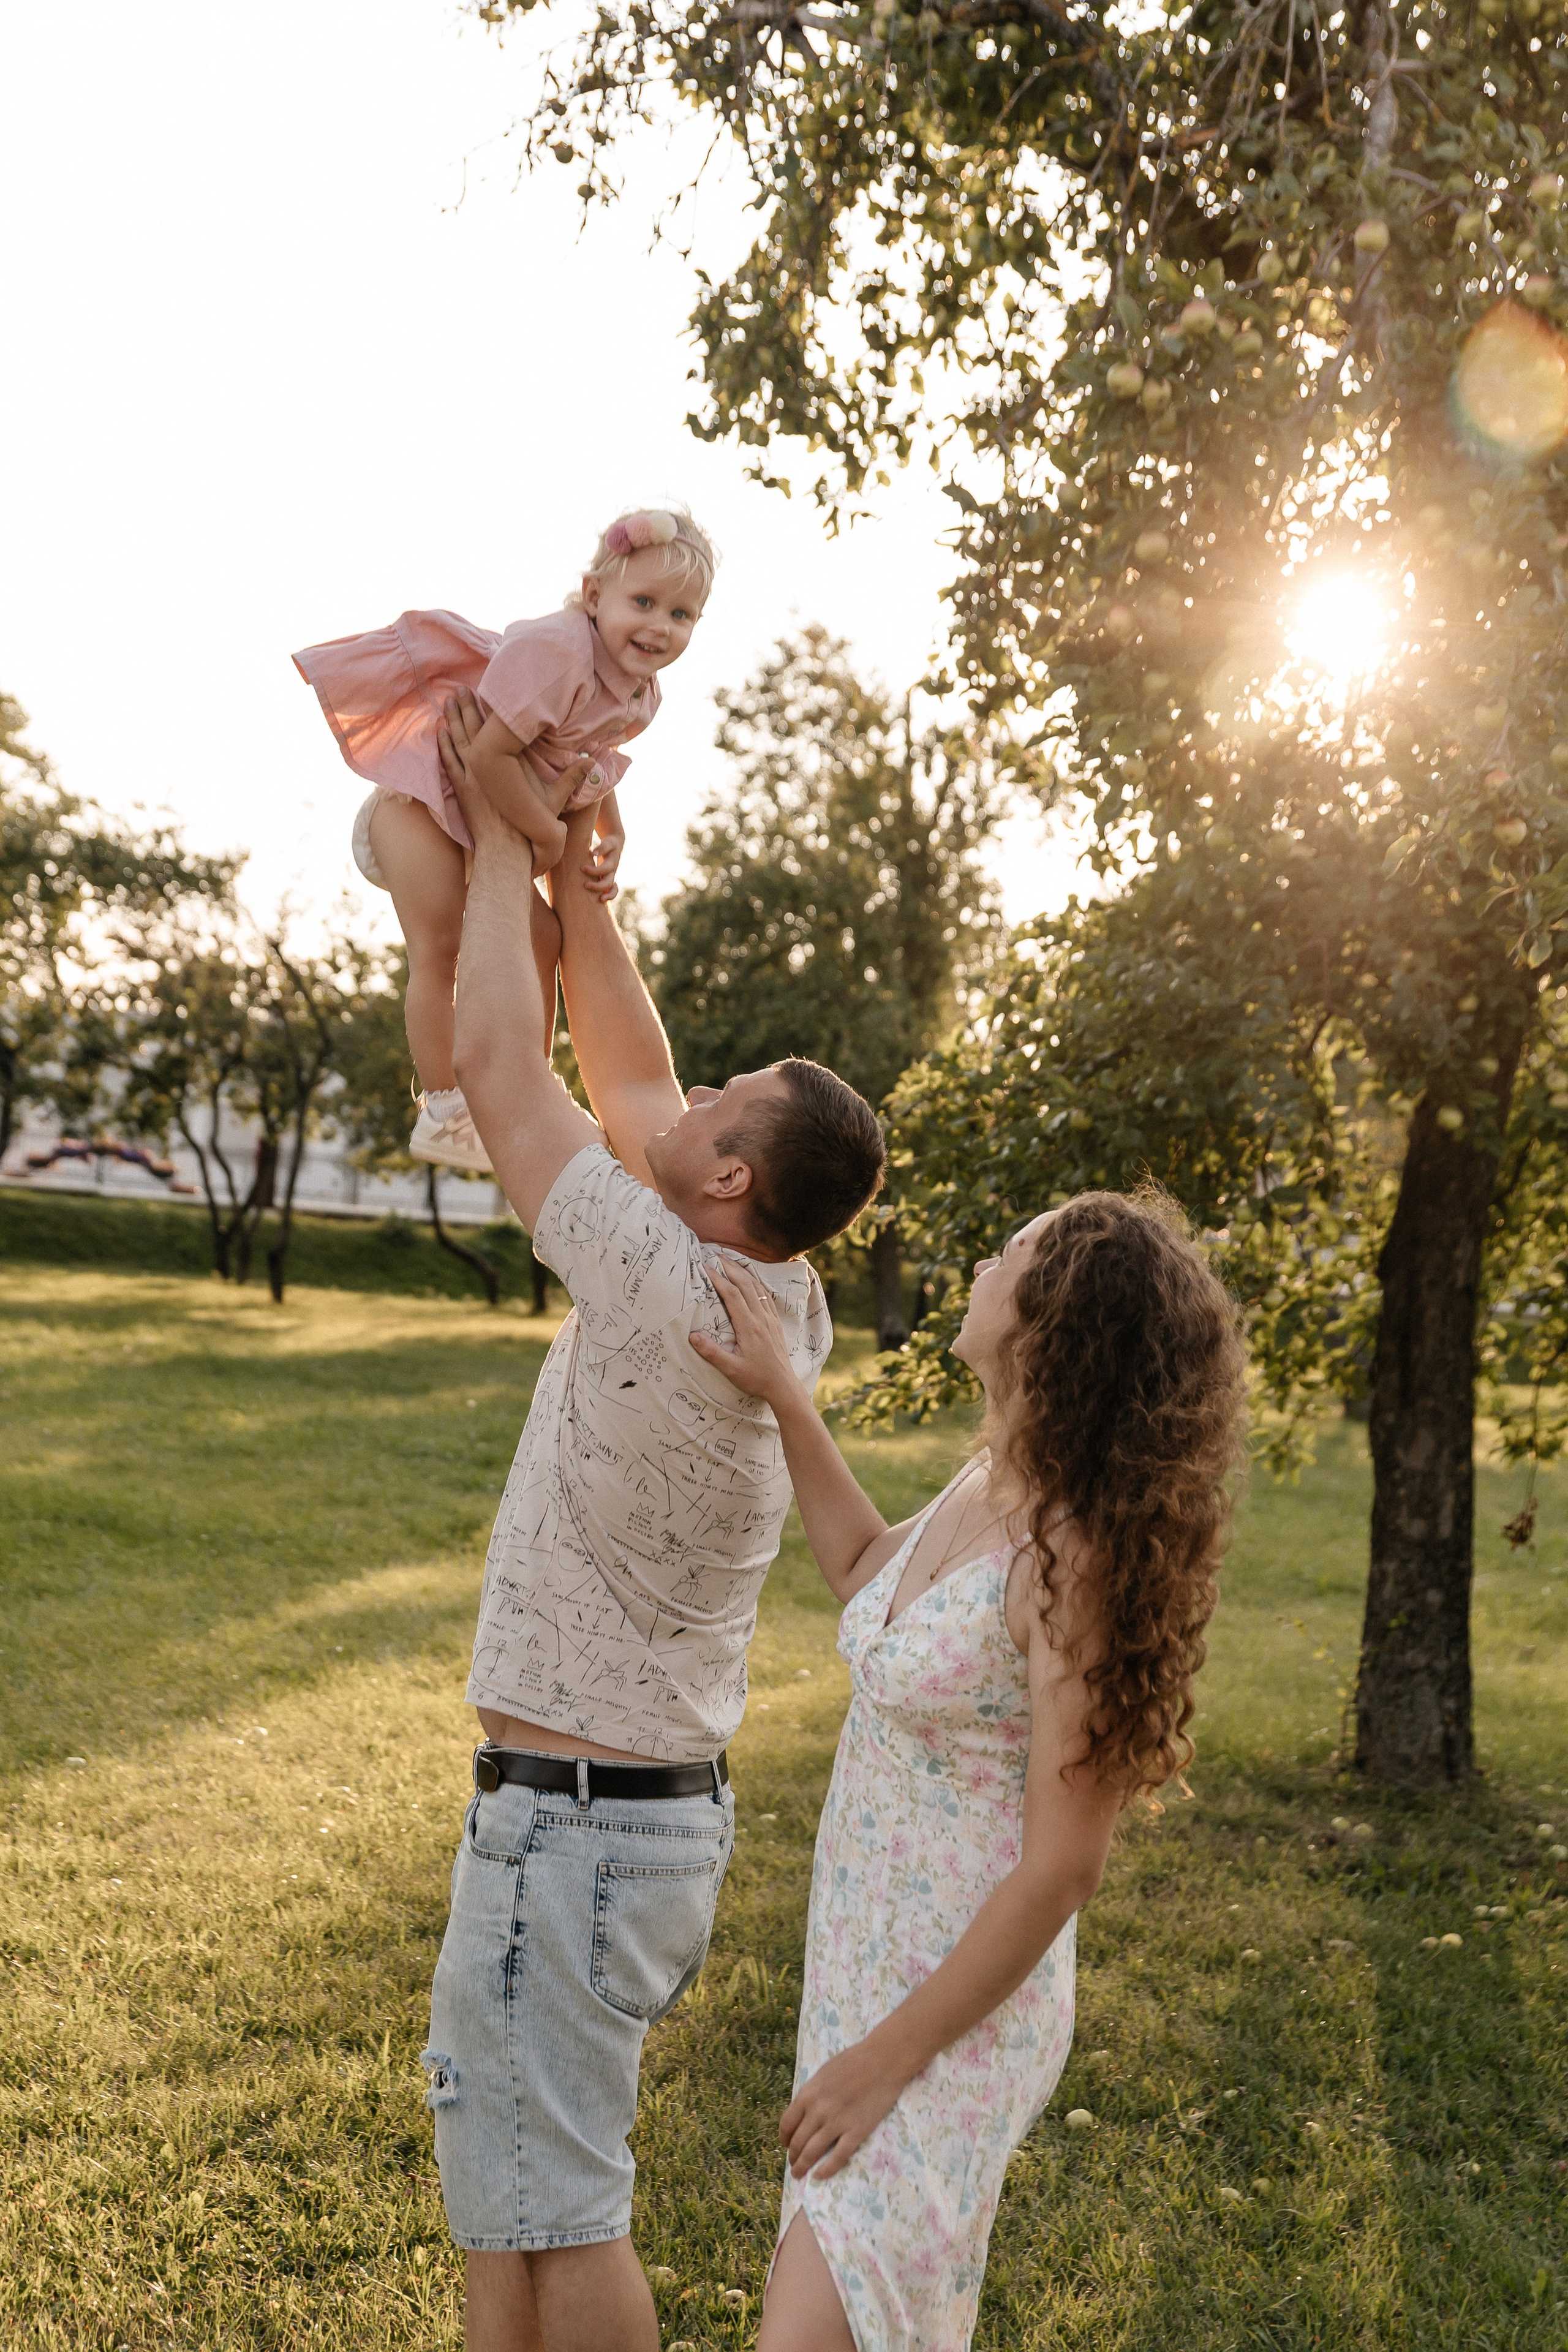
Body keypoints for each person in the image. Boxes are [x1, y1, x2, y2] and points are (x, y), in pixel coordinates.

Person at [420, 687, 887, 2352]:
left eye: (728, 1099)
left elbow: (499, 1065)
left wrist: (489, 831)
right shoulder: (781, 1295)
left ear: (733, 1180)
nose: (695, 1093)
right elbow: (633, 1078)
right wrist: (590, 900)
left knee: (568, 2212)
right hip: (618, 1825)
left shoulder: (662, 1281)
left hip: (574, 1832)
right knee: (511, 2207)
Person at [687, 1193, 1247, 2352]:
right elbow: (858, 1569)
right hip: (864, 1962)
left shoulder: (1075, 1558)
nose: (988, 1258)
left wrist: (882, 2064)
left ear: (1053, 1322)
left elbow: (1062, 1870)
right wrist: (789, 1394)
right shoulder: (994, 1480)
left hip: (948, 2010)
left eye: (1017, 1251)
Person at [293, 507, 714, 1173]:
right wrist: (546, 832)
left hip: (487, 825)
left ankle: (523, 1083)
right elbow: (487, 755)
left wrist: (614, 829)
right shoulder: (559, 654)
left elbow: (587, 754)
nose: (660, 626)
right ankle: (444, 1108)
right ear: (594, 596)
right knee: (439, 947)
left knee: (543, 940)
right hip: (420, 809)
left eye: (682, 615)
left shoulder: (640, 690)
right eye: (644, 602)